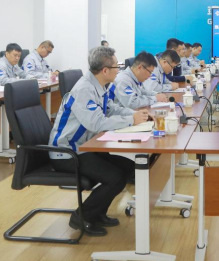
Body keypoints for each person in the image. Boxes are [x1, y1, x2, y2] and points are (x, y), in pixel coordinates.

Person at [49, 46, 148, 236]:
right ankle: (82, 217)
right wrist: (131, 120)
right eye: (116, 66)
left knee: (127, 167)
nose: (119, 69)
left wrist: (135, 115)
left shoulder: (98, 85)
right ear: (105, 70)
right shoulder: (84, 89)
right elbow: (96, 123)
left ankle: (98, 213)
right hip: (68, 152)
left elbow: (110, 109)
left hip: (86, 147)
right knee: (115, 178)